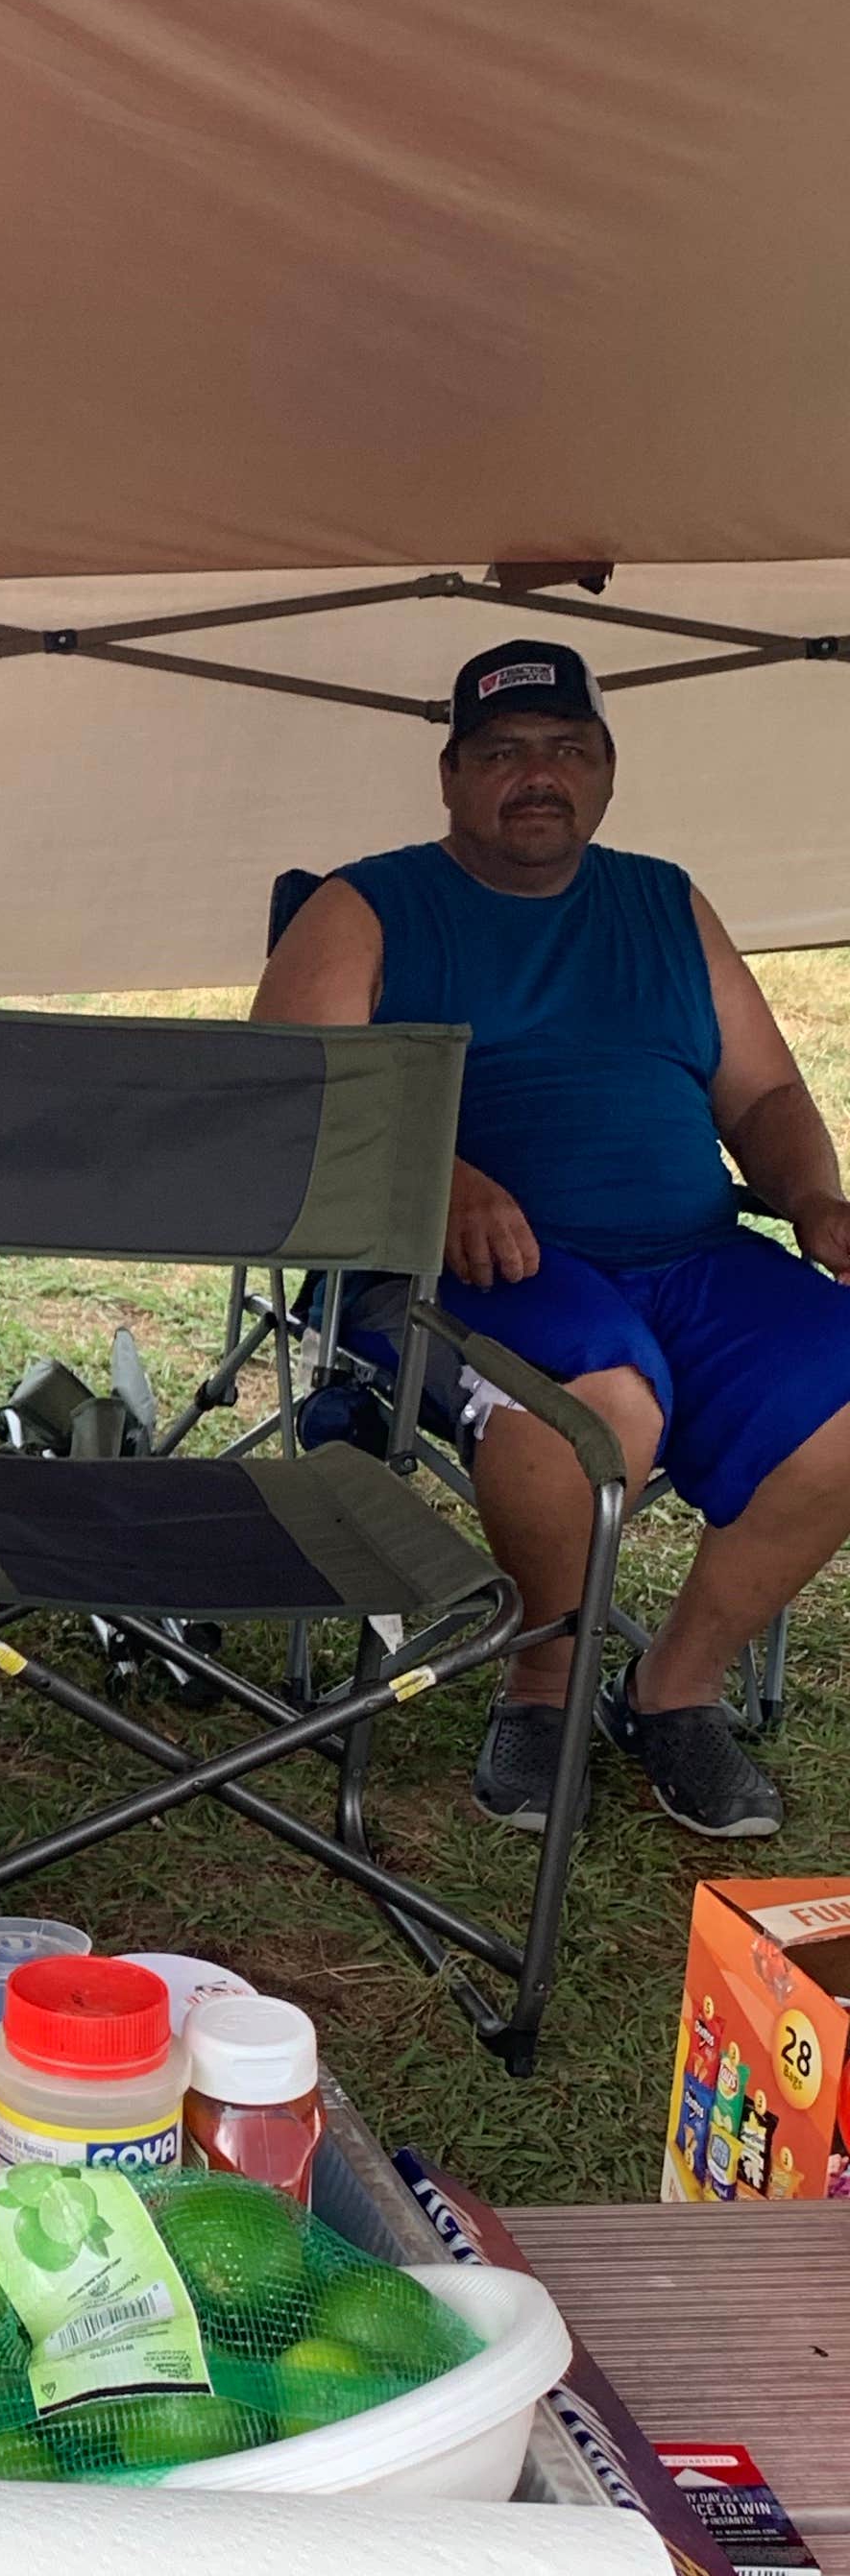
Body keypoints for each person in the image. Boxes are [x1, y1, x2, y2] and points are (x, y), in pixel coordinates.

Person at [255, 641, 850, 1840]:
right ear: (450, 777)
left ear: (607, 772)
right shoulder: (369, 903)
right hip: (457, 1269)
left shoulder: (665, 899)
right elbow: (284, 1094)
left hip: (693, 1255)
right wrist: (442, 1178)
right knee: (598, 1406)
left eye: (566, 750)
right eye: (504, 753)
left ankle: (670, 1692)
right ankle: (542, 1683)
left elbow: (768, 1100)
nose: (538, 776)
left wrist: (817, 1202)